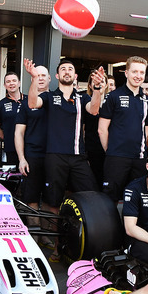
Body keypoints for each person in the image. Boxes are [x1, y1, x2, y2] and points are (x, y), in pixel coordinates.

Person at [24, 57, 106, 215]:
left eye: (70, 69)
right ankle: (53, 240)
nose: (67, 72)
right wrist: (34, 79)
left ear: (75, 76)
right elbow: (32, 103)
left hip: (78, 157)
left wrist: (96, 88)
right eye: (63, 69)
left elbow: (94, 110)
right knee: (52, 200)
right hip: (55, 156)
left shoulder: (82, 98)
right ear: (57, 76)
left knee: (91, 194)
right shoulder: (49, 97)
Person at [98, 56, 148, 203]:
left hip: (139, 158)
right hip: (116, 157)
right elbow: (102, 129)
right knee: (110, 199)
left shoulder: (147, 101)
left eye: (141, 72)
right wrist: (111, 151)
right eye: (134, 72)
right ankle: (109, 227)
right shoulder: (113, 96)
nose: (138, 76)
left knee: (136, 199)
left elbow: (146, 130)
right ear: (126, 73)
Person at [15, 65, 53, 255]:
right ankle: (35, 236)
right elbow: (18, 133)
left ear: (50, 79)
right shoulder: (25, 104)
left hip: (54, 157)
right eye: (36, 75)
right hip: (32, 156)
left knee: (50, 198)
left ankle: (46, 234)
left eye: (43, 75)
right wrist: (22, 158)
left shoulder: (56, 100)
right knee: (30, 197)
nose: (40, 78)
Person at [0, 71, 24, 164]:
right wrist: (7, 138)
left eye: (14, 80)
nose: (11, 83)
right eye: (8, 81)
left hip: (29, 147)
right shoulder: (1, 104)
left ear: (19, 83)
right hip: (11, 148)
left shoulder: (29, 100)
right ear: (5, 85)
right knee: (14, 176)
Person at [84, 70, 110, 190]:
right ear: (90, 85)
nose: (99, 83)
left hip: (110, 149)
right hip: (92, 149)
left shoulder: (112, 103)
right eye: (95, 82)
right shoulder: (86, 102)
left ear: (106, 84)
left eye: (102, 81)